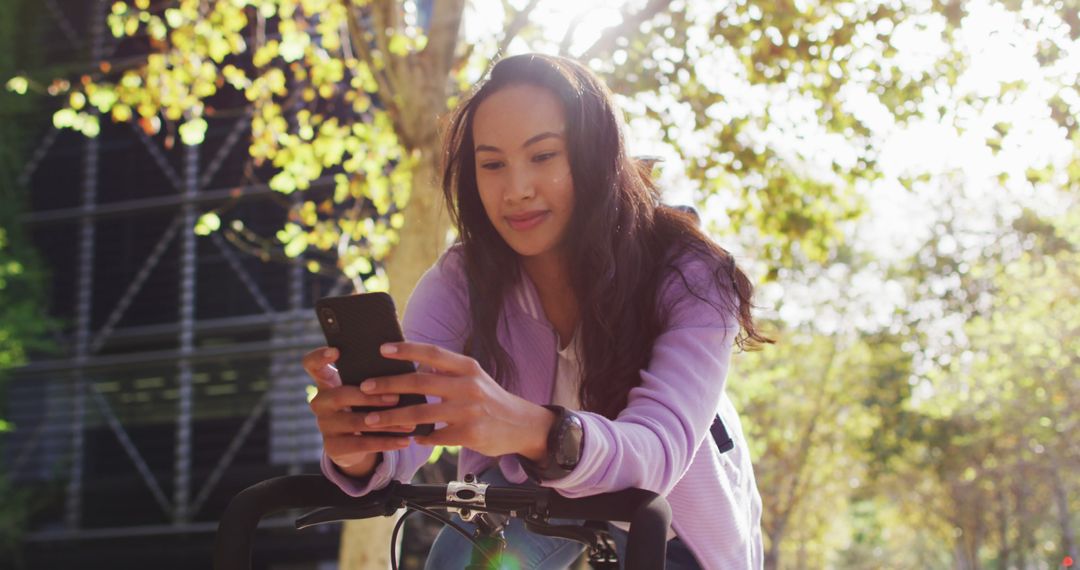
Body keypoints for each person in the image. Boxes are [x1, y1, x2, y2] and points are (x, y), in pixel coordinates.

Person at [303, 53, 769, 569]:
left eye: (543, 156)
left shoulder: (690, 272)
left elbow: (657, 455)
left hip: (674, 523)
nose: (517, 189)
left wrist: (531, 429)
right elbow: (407, 429)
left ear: (595, 156)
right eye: (493, 164)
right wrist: (360, 449)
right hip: (530, 494)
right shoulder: (462, 279)